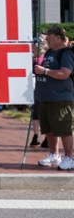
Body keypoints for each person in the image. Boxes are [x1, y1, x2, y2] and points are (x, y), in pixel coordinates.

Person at [33, 26, 74, 170]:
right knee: (49, 130)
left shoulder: (66, 53)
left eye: (49, 37)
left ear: (58, 38)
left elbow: (64, 73)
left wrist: (44, 71)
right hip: (46, 97)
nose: (47, 40)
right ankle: (54, 154)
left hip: (60, 98)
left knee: (64, 129)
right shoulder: (50, 51)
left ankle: (70, 157)